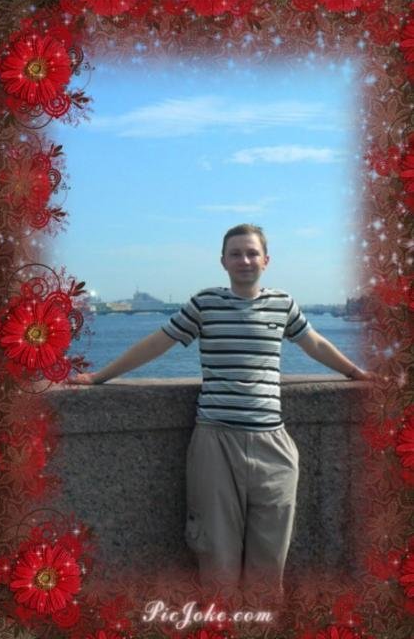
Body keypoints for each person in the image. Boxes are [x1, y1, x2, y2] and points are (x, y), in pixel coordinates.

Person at [72, 223, 371, 605]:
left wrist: (355, 372)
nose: (244, 260)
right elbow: (157, 343)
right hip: (215, 443)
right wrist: (100, 376)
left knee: (270, 562)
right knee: (215, 558)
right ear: (223, 261)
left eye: (252, 253)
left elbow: (315, 343)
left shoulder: (283, 304)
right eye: (236, 253)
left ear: (266, 260)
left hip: (273, 446)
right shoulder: (205, 304)